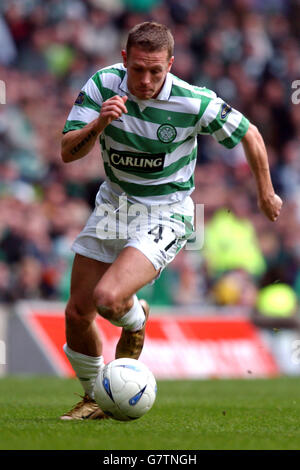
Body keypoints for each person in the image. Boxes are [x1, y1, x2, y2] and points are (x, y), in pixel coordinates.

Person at [60, 22, 282, 420]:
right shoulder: (102, 84)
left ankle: (135, 320)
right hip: (114, 205)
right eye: (138, 69)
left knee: (108, 299)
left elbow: (251, 134)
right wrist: (98, 125)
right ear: (125, 59)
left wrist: (265, 191)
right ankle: (95, 396)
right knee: (77, 313)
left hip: (166, 210)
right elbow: (67, 153)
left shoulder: (193, 100)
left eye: (156, 71)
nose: (145, 80)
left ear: (170, 65)